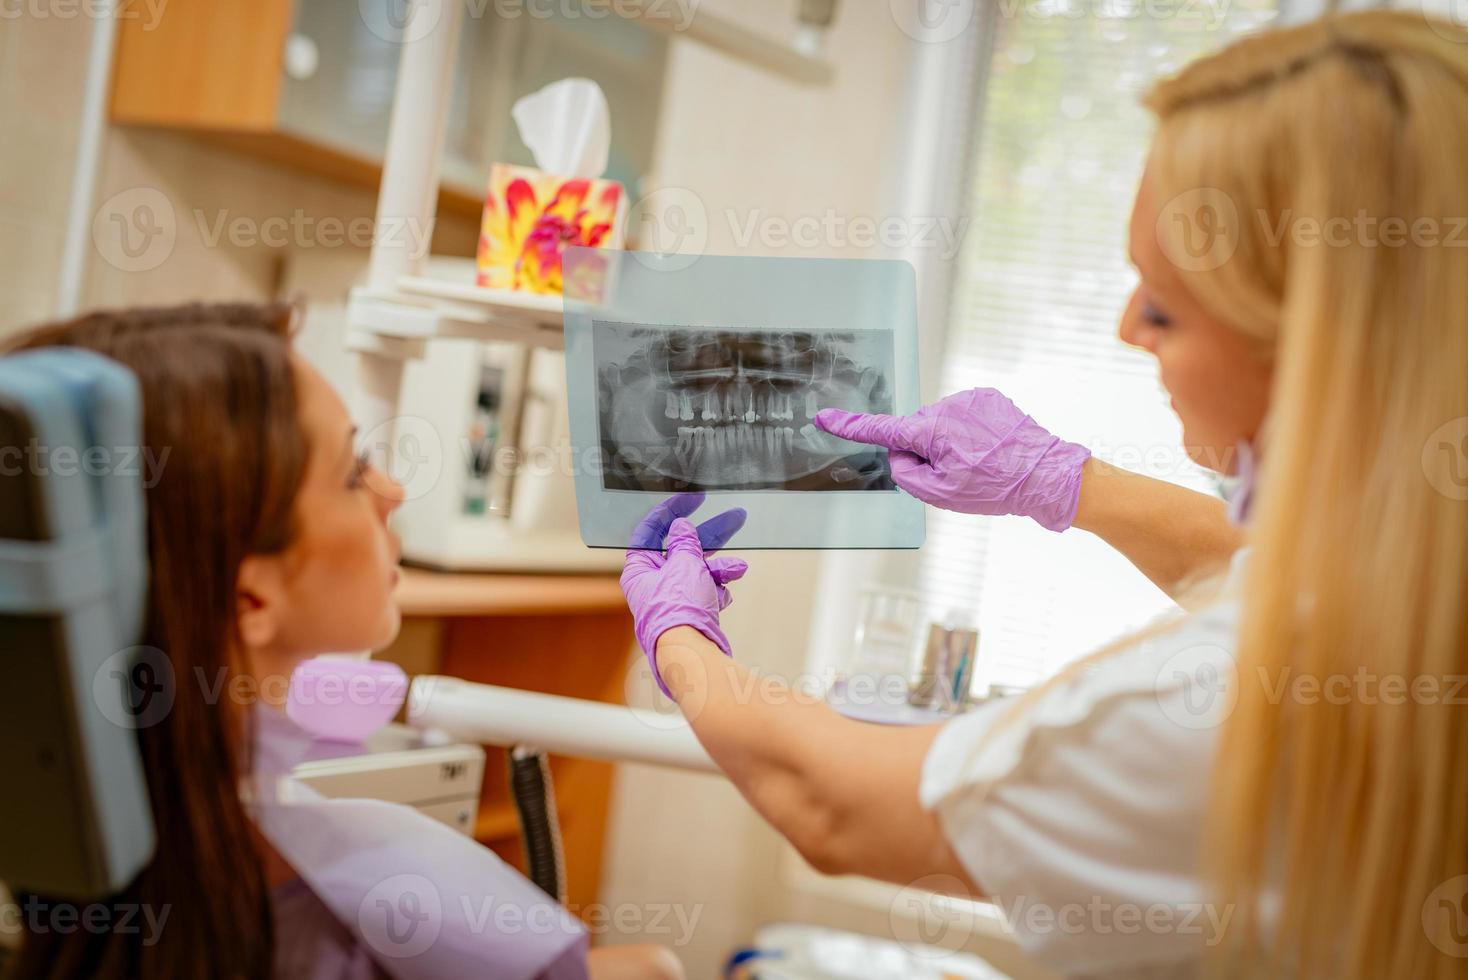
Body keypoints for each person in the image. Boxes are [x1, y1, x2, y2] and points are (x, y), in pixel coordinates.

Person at [618, 11, 1468, 979]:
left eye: (1159, 306)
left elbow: (835, 809)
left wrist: (678, 634)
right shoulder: (1418, 598)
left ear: (1320, 346)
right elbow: (1267, 576)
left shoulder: (1217, 702)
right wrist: (1062, 479)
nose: (1123, 331)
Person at [2, 304, 681, 980]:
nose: (392, 488)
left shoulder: (103, 857)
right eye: (352, 472)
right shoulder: (354, 900)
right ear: (251, 598)